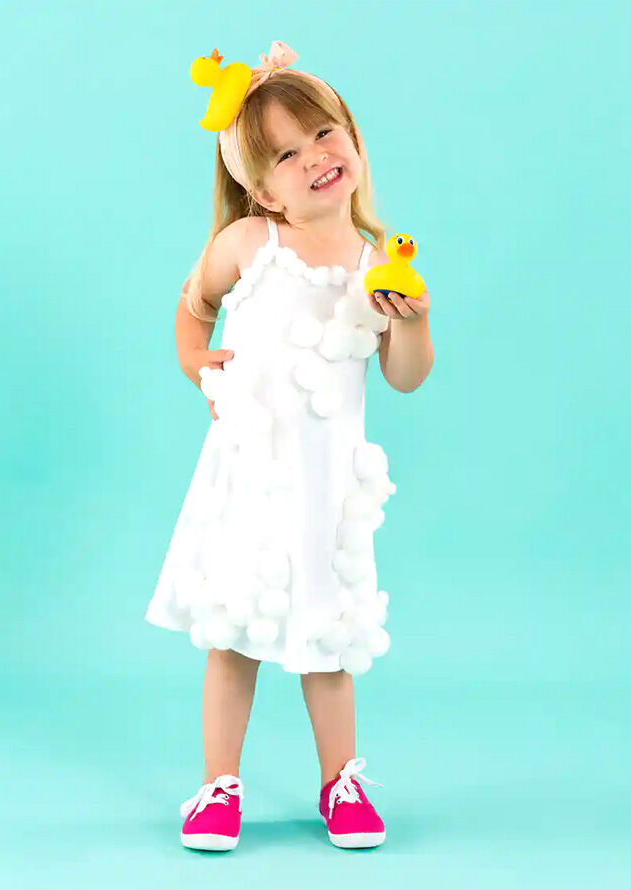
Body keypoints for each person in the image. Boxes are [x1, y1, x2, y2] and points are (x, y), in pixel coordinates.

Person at [144, 39, 433, 853]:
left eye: (325, 135)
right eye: (287, 154)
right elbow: (194, 303)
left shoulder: (378, 265)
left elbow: (405, 376)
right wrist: (192, 359)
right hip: (250, 482)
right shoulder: (249, 248)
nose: (315, 158)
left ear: (354, 138)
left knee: (327, 645)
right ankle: (217, 786)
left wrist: (414, 323)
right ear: (258, 188)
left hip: (327, 489)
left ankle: (340, 779)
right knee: (234, 639)